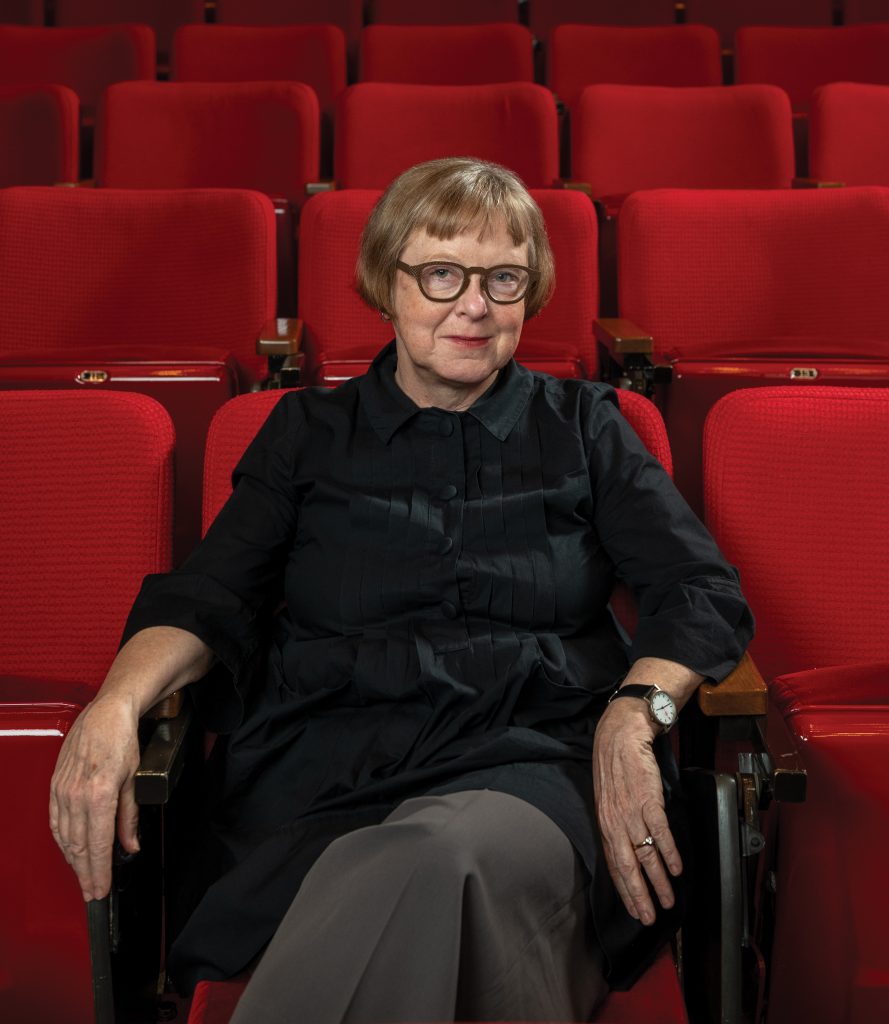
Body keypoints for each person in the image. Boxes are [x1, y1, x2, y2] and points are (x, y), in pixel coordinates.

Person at [50, 157, 753, 1022]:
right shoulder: (305, 434)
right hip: (326, 778)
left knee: (441, 854)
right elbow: (207, 599)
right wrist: (116, 705)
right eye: (441, 273)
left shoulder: (586, 427)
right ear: (387, 284)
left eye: (503, 279)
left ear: (530, 295)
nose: (473, 305)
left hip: (530, 766)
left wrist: (634, 710)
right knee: (409, 867)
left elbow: (699, 589)